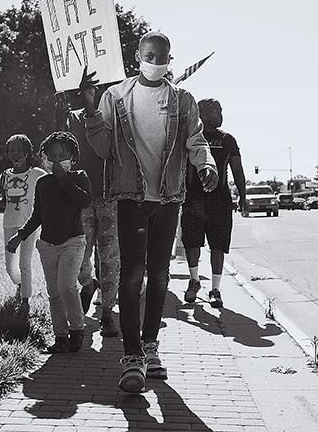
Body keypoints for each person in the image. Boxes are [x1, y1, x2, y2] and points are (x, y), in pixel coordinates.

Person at [81, 31, 218, 393]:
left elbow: (196, 139)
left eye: (163, 57)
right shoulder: (116, 96)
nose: (156, 62)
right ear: (137, 55)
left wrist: (206, 165)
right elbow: (104, 148)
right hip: (131, 198)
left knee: (158, 277)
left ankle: (151, 347)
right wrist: (90, 108)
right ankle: (132, 356)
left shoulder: (183, 100)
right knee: (131, 276)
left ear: (170, 60)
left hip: (169, 198)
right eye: (150, 55)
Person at [6, 131, 92, 353]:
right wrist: (20, 236)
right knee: (54, 293)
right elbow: (37, 215)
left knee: (67, 286)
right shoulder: (43, 183)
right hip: (47, 244)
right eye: (51, 156)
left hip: (73, 241)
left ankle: (77, 329)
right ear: (44, 156)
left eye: (61, 155)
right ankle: (60, 336)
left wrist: (63, 177)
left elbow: (84, 200)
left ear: (72, 157)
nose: (55, 160)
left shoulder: (79, 176)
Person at [56, 90, 121, 337]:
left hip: (110, 197)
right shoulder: (72, 118)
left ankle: (107, 313)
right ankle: (88, 283)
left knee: (109, 258)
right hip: (81, 199)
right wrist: (58, 121)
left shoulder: (114, 118)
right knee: (79, 255)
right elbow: (59, 153)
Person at [181, 99, 248, 309]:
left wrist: (243, 196)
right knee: (192, 242)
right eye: (216, 110)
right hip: (193, 198)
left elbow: (237, 170)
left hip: (220, 198)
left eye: (221, 110)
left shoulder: (228, 140)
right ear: (202, 113)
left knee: (218, 244)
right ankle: (194, 281)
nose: (220, 114)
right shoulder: (190, 137)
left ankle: (216, 289)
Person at [0, 134, 47, 306]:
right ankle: (20, 284)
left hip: (29, 225)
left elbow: (52, 187)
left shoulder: (37, 174)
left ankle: (26, 299)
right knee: (10, 267)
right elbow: (5, 200)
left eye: (19, 150)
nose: (16, 153)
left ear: (27, 152)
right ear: (8, 153)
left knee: (24, 262)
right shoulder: (5, 176)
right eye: (12, 150)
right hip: (9, 223)